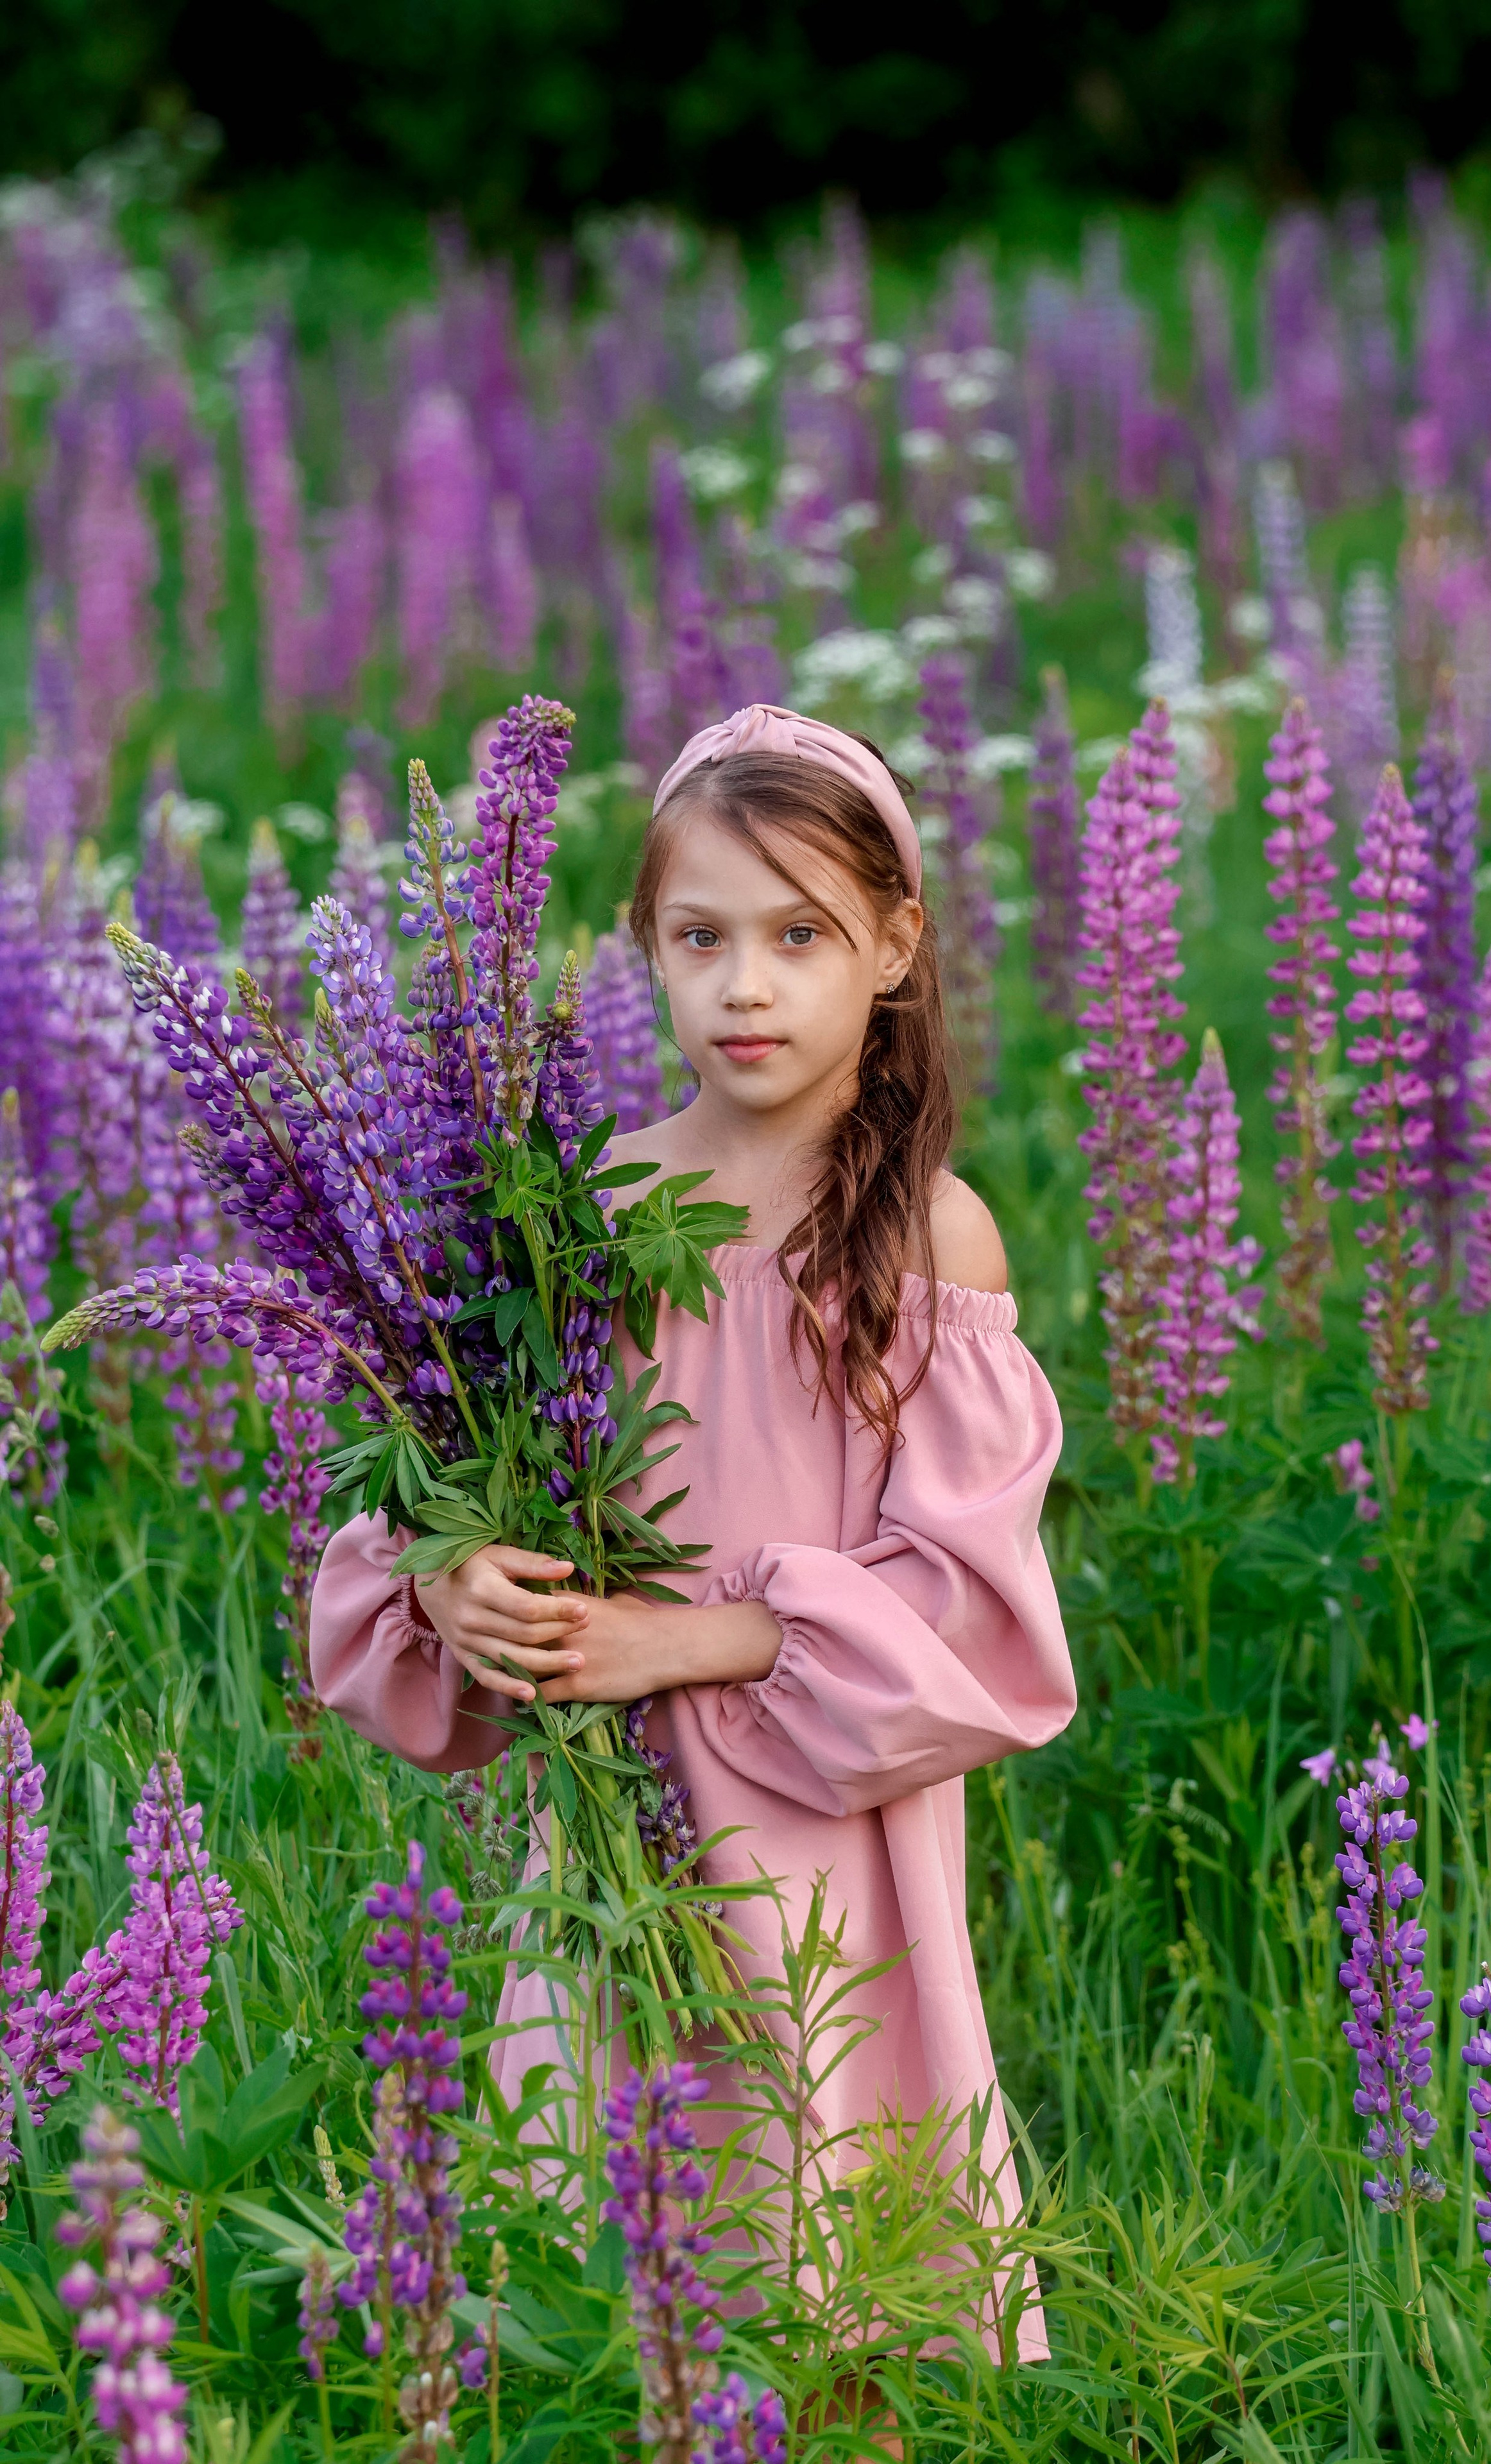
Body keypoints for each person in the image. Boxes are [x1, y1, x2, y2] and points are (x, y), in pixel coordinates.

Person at [309, 702, 1076, 2348]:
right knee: (602, 2266)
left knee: (832, 2247)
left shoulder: (925, 1233)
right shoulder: (579, 1201)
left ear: (892, 944)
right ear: (638, 947)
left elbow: (971, 1607)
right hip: (605, 1832)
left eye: (798, 934)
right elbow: (460, 1461)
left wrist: (695, 1637)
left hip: (824, 1827)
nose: (744, 983)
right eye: (699, 935)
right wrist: (454, 1583)